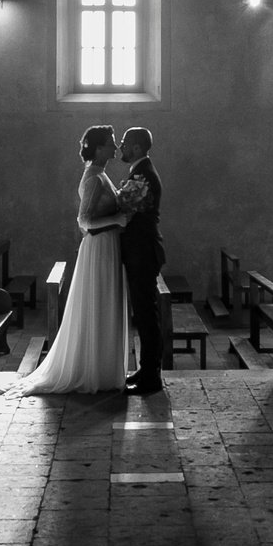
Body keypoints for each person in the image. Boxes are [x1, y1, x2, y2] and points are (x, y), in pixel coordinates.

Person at [15, 125, 130, 394]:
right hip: (99, 248)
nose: (115, 147)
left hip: (108, 245)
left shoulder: (102, 174)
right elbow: (84, 220)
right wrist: (118, 218)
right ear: (99, 147)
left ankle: (102, 368)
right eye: (111, 143)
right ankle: (90, 370)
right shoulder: (93, 177)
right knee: (97, 302)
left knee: (104, 304)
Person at [116, 127, 165, 394]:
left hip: (143, 252)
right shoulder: (140, 170)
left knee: (146, 315)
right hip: (141, 251)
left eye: (124, 143)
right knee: (144, 314)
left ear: (136, 147)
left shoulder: (143, 173)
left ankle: (151, 378)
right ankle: (146, 370)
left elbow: (122, 205)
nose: (120, 147)